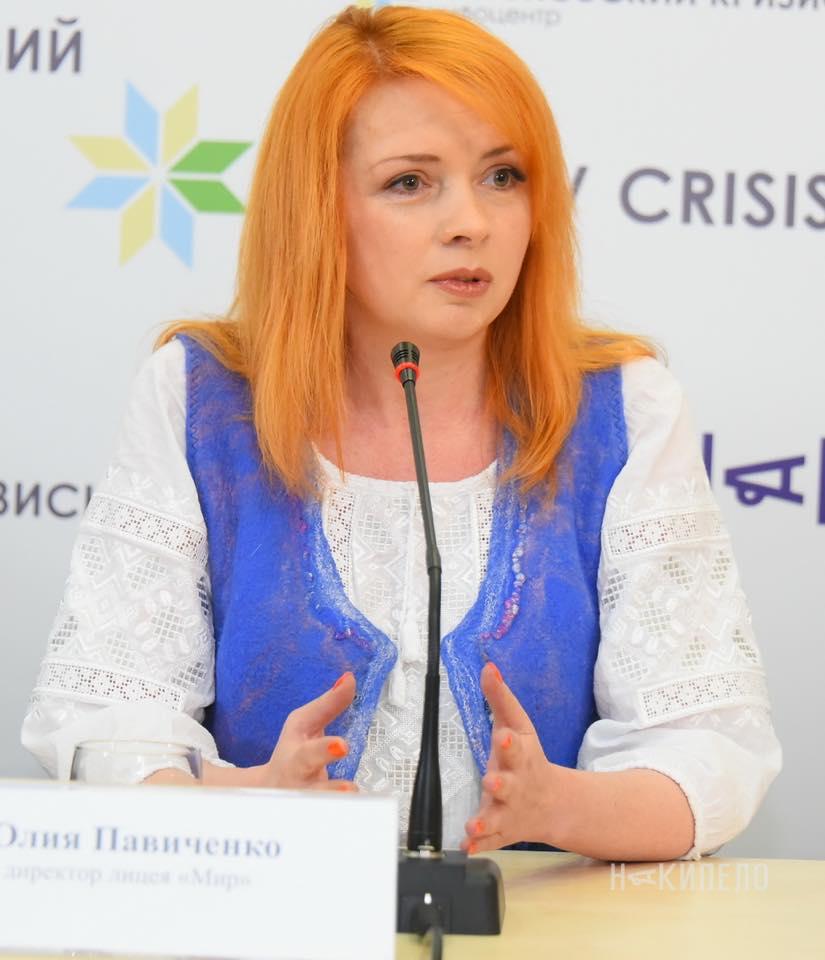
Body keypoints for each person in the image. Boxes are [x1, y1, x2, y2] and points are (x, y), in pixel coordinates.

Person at [22, 4, 781, 862]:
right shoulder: (200, 398)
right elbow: (104, 722)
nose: (471, 223)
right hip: (263, 917)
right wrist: (248, 801)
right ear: (318, 210)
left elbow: (712, 751)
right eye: (410, 183)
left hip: (540, 925)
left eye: (502, 176)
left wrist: (556, 806)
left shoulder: (624, 408)